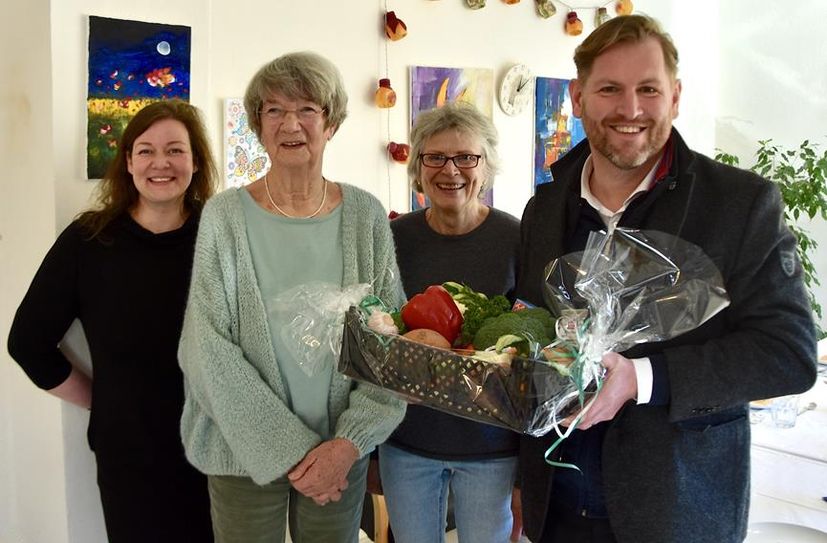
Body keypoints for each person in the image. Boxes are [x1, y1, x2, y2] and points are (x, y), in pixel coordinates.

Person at [514, 14, 817, 543]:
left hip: (676, 512)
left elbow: (787, 355)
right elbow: (531, 341)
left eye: (648, 89)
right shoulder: (544, 206)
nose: (630, 109)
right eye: (610, 89)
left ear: (675, 98)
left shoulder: (739, 205)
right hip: (555, 508)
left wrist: (645, 379)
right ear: (578, 97)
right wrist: (522, 480)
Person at [177, 51, 407, 543]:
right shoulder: (224, 218)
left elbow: (391, 343)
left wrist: (349, 442)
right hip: (241, 450)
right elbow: (205, 347)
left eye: (307, 109)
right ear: (258, 124)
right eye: (274, 110)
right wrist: (291, 451)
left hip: (339, 446)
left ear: (333, 122)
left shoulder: (365, 215)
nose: (291, 124)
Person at [7, 99, 217, 542]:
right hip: (128, 452)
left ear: (196, 162)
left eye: (176, 150)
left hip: (218, 448)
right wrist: (100, 399)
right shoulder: (88, 241)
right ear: (128, 161)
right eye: (145, 150)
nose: (161, 163)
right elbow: (27, 342)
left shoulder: (221, 238)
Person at [378, 102, 522, 543]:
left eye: (466, 157)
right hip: (407, 443)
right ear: (418, 168)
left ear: (486, 166)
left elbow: (533, 345)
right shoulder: (394, 238)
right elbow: (375, 326)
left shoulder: (516, 237)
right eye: (435, 157)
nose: (451, 170)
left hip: (491, 447)